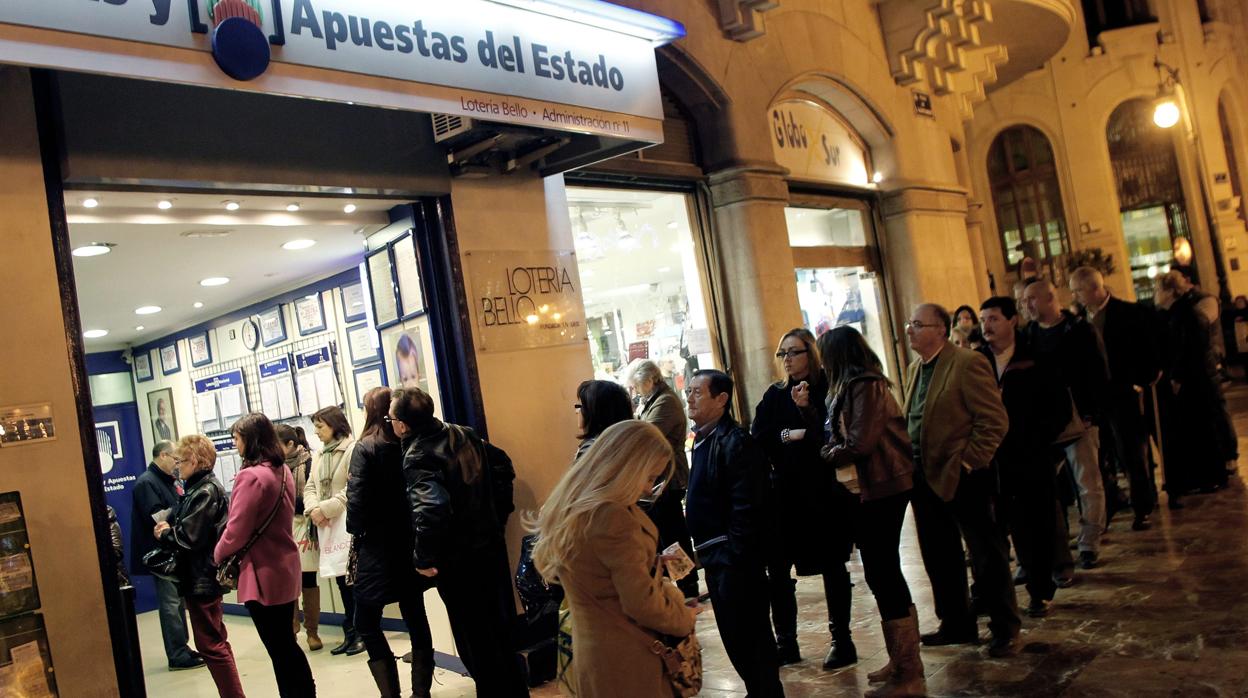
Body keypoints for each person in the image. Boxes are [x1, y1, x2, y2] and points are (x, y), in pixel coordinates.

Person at [531, 420, 698, 697]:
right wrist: (682, 615)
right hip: (629, 660)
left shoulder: (579, 507)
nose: (648, 488)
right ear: (628, 468)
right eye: (649, 477)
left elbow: (603, 579)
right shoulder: (612, 516)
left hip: (598, 656)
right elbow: (641, 604)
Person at [390, 387, 529, 697]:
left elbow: (431, 508)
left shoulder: (417, 454)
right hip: (488, 549)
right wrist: (497, 514)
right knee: (497, 632)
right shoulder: (461, 433)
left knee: (474, 639)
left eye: (392, 419)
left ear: (402, 424)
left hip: (458, 561)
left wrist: (423, 558)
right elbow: (502, 464)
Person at [902, 304, 1018, 657]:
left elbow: (994, 421)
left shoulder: (967, 363)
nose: (909, 330)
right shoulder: (914, 369)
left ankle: (1004, 627)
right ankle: (955, 622)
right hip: (923, 476)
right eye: (910, 324)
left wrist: (969, 462)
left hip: (963, 475)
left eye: (917, 324)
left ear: (940, 329)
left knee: (985, 554)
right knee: (939, 554)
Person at [815, 326, 922, 696]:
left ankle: (909, 670)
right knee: (881, 573)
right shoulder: (851, 386)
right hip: (870, 488)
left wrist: (828, 453)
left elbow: (860, 442)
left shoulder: (865, 384)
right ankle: (902, 659)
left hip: (884, 485)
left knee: (884, 571)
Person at [751, 328, 857, 669]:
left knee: (832, 565)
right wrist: (788, 434)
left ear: (810, 353)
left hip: (823, 490)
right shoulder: (774, 395)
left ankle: (842, 639)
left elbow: (832, 435)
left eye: (793, 352)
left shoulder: (828, 388)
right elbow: (761, 437)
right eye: (782, 354)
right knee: (778, 570)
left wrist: (805, 419)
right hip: (784, 492)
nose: (787, 360)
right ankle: (786, 642)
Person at [685, 369, 785, 697]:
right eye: (689, 391)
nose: (690, 397)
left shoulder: (735, 441)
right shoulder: (703, 438)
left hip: (736, 561)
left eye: (698, 392)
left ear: (721, 399)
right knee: (736, 640)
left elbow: (748, 506)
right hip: (717, 558)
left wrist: (733, 555)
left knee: (753, 640)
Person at [978, 297, 1071, 618]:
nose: (986, 326)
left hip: (1031, 457)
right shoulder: (976, 361)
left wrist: (1037, 439)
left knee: (1037, 526)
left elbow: (1059, 408)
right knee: (994, 529)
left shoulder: (1037, 359)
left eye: (992, 318)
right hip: (991, 460)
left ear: (1012, 320)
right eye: (983, 320)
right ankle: (995, 597)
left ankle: (1041, 589)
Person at [215, 413, 315, 697]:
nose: (234, 444)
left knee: (279, 648)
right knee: (287, 643)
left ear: (250, 440)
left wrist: (217, 553)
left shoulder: (250, 477)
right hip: (284, 566)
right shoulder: (280, 470)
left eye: (236, 438)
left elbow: (236, 530)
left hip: (262, 573)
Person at [348, 387, 435, 697]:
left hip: (377, 548)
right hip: (409, 543)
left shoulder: (366, 448)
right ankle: (420, 692)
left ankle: (391, 694)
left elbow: (356, 504)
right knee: (416, 617)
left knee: (366, 621)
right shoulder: (409, 444)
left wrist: (353, 528)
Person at [1022, 279, 1110, 569]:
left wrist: (1092, 412)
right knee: (1048, 485)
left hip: (1078, 415)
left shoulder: (1078, 330)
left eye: (1032, 299)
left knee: (1087, 480)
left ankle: (1090, 541)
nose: (1027, 306)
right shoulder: (1029, 335)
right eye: (1024, 301)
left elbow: (1097, 371)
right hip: (1045, 421)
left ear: (1050, 298)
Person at [1069, 266, 1160, 531]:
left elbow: (1148, 350)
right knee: (1101, 456)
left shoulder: (1130, 313)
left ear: (1095, 288)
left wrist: (1139, 382)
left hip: (1123, 394)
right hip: (1096, 399)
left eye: (1078, 290)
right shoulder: (1079, 320)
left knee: (1132, 452)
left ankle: (1142, 505)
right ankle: (1110, 505)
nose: (1075, 296)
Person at [154, 435, 244, 697]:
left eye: (181, 461)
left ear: (194, 460)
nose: (177, 466)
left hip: (202, 577)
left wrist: (166, 533)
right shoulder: (200, 488)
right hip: (199, 576)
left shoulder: (204, 491)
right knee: (214, 642)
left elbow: (188, 537)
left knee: (211, 645)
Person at [1154, 271, 1233, 496]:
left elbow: (1190, 351)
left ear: (1170, 291)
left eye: (1158, 290)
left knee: (1204, 429)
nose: (1155, 295)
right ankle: (1201, 476)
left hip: (1197, 382)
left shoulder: (1187, 315)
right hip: (1192, 380)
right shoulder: (1172, 315)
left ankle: (1213, 475)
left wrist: (1177, 377)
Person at [627, 360, 700, 601]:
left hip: (669, 477)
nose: (636, 390)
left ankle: (688, 586)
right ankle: (681, 583)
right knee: (667, 532)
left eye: (638, 385)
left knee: (673, 533)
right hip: (660, 479)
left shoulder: (665, 401)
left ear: (650, 380)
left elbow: (647, 433)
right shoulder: (652, 400)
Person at [131, 440, 202, 671]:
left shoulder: (166, 481)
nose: (177, 463)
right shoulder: (146, 483)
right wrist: (184, 505)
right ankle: (177, 654)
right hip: (161, 554)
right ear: (162, 455)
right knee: (171, 604)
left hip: (173, 549)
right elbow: (157, 518)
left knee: (178, 603)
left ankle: (183, 648)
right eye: (175, 458)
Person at [305, 406, 362, 656]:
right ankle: (350, 632)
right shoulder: (318, 455)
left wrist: (325, 509)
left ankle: (360, 632)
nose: (316, 432)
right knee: (341, 581)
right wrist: (313, 510)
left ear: (334, 425)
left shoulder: (352, 450)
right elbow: (309, 487)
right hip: (326, 527)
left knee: (353, 581)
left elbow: (352, 488)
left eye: (320, 426)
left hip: (346, 525)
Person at [275, 424, 321, 651]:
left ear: (291, 444)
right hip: (283, 528)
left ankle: (312, 631)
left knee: (308, 579)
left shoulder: (310, 462)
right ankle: (292, 629)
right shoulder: (274, 467)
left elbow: (312, 496)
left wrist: (289, 503)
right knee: (287, 581)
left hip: (304, 525)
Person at [573, 379, 634, 459]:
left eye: (579, 406)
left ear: (595, 412)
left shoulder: (590, 451)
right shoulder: (628, 442)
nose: (577, 412)